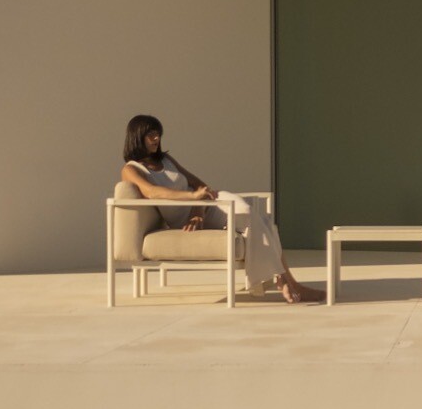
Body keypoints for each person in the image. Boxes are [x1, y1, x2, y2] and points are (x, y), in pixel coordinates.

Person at [120, 114, 322, 303]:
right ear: (137, 136)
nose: (156, 138)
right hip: (186, 219)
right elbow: (152, 192)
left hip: (208, 205)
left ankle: (284, 281)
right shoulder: (131, 169)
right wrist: (193, 198)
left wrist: (198, 209)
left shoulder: (166, 160)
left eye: (158, 134)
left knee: (261, 220)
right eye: (151, 134)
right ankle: (286, 282)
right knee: (254, 217)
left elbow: (198, 183)